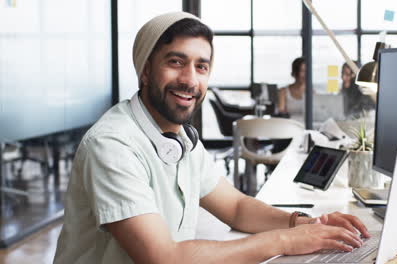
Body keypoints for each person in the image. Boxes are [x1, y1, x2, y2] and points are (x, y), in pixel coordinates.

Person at [53, 12, 370, 264]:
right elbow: (162, 258)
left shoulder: (181, 139)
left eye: (201, 67)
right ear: (146, 70)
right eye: (176, 62)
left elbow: (236, 208)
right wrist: (286, 241)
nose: (190, 80)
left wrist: (300, 224)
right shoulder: (112, 146)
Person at [277, 57, 306, 123]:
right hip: (289, 127)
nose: (305, 75)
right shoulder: (283, 91)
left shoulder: (312, 93)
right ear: (295, 72)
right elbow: (281, 114)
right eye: (302, 71)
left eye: (307, 71)